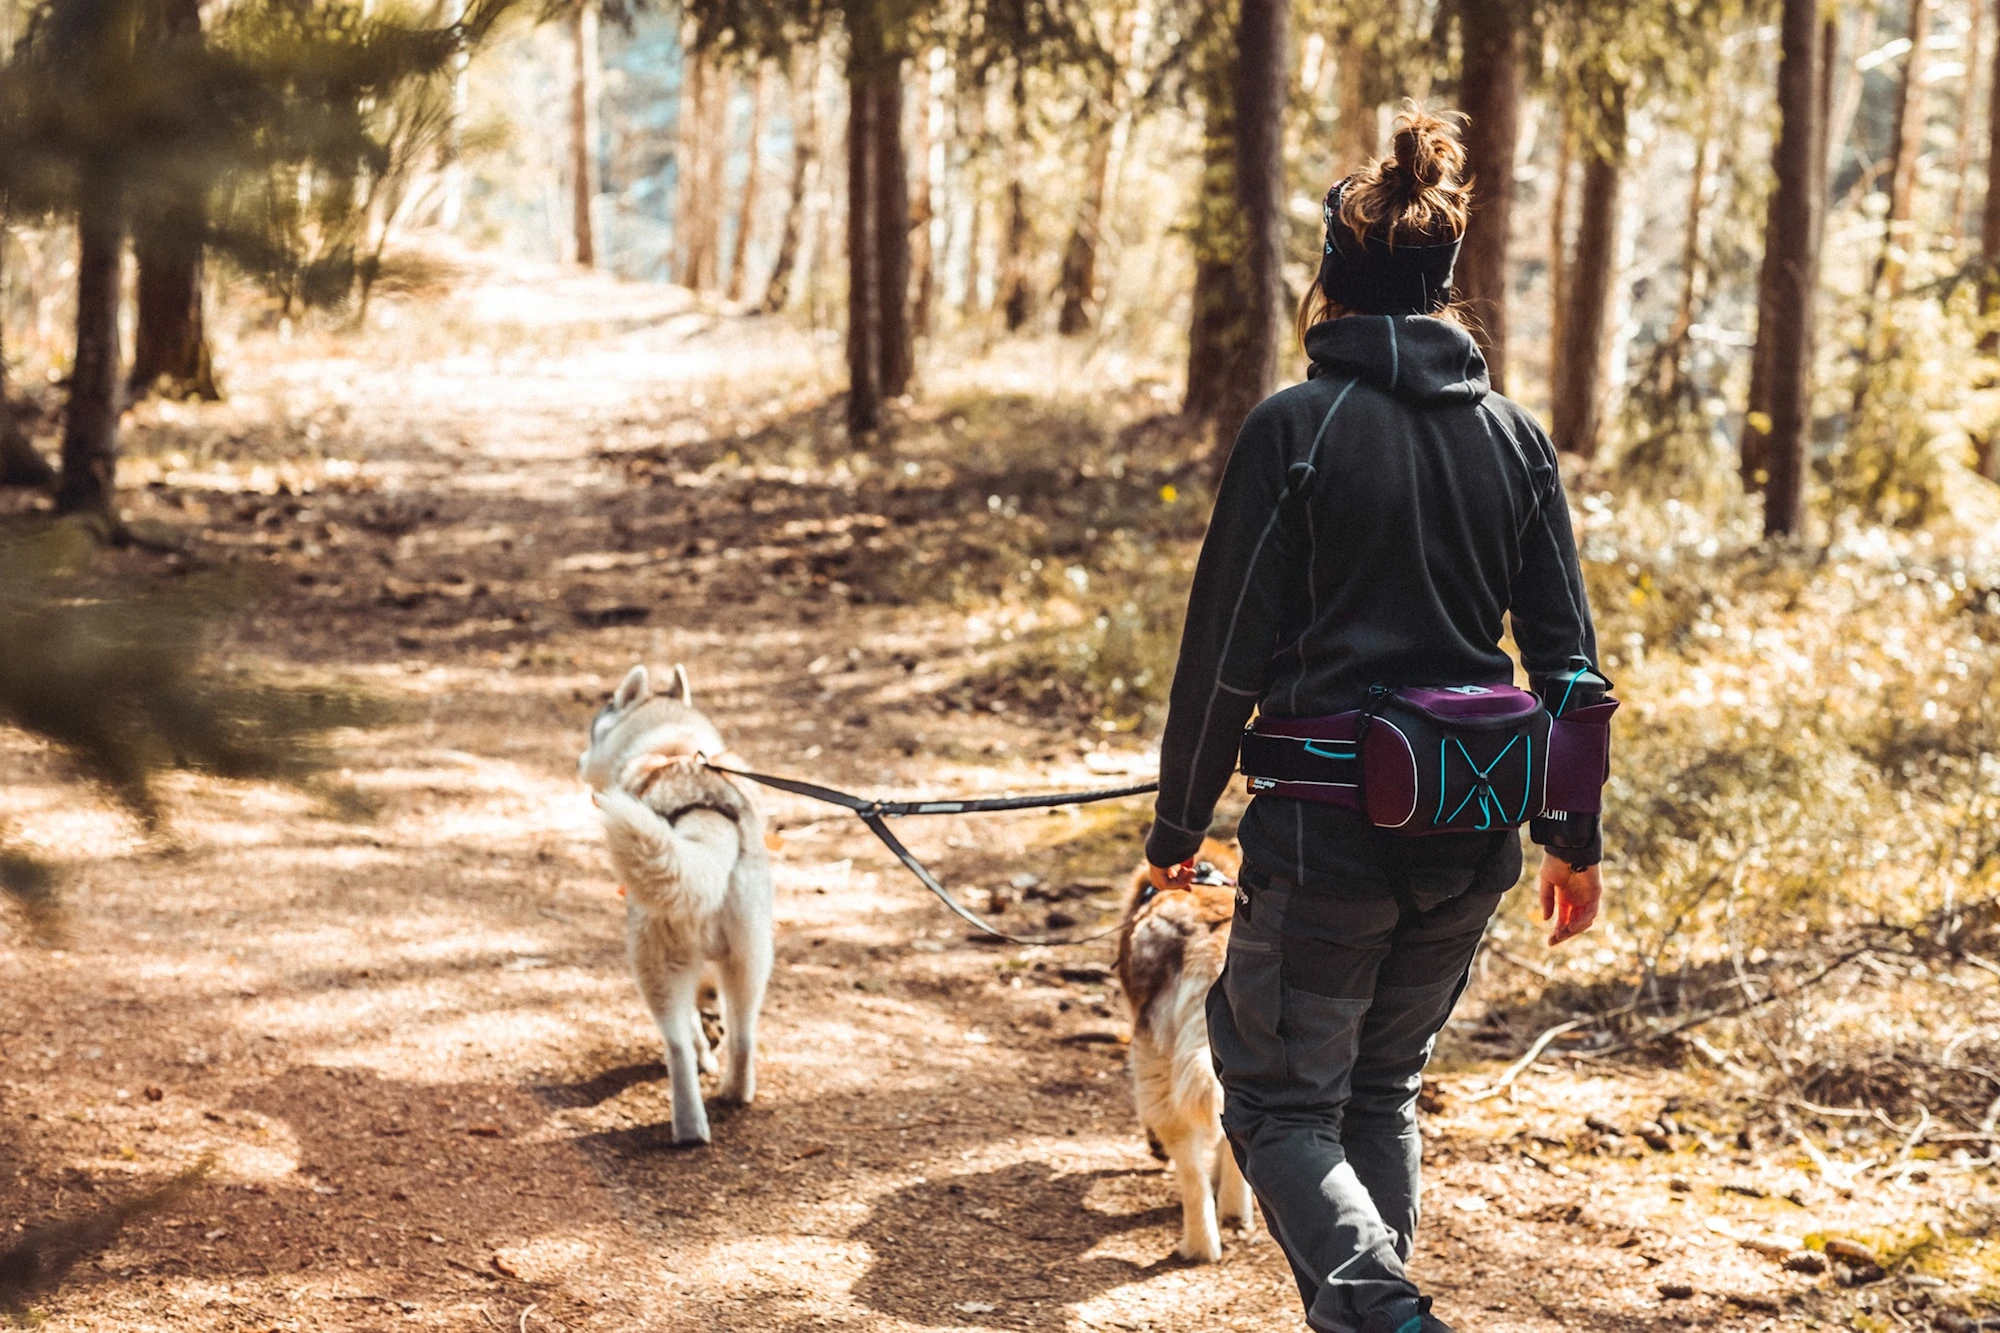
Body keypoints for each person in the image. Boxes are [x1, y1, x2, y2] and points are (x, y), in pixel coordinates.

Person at [1143, 104, 1606, 1333]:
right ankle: (1377, 1313)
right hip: (1471, 841)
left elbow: (1220, 653)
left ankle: (1385, 1318)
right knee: (1378, 1092)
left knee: (1279, 1105)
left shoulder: (1294, 429)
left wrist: (1172, 826)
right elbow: (1566, 662)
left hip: (1321, 840)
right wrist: (1574, 836)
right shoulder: (1513, 438)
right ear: (1444, 294)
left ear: (1331, 291)